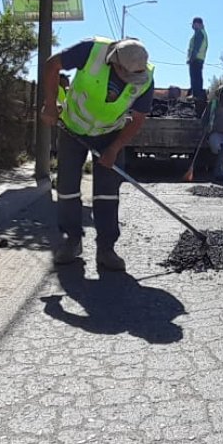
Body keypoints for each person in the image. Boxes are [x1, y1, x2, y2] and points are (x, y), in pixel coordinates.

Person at [42, 37, 155, 270]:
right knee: (67, 189)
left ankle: (106, 249)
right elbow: (52, 64)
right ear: (116, 63)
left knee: (107, 193)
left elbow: (138, 119)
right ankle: (72, 241)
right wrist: (51, 105)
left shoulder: (146, 79)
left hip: (110, 133)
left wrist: (114, 148)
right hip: (74, 127)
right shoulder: (89, 50)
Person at [186, 17, 208, 101]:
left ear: (199, 24)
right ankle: (196, 94)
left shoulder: (199, 34)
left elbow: (196, 47)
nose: (193, 26)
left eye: (194, 24)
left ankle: (196, 94)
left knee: (195, 77)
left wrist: (191, 58)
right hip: (199, 58)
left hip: (196, 59)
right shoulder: (202, 33)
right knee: (197, 76)